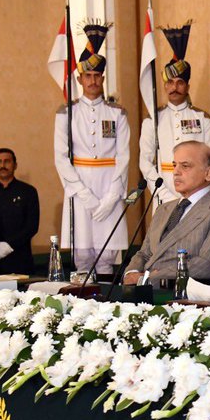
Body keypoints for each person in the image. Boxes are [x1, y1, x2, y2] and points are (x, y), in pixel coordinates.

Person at [53, 21, 131, 276]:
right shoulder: (67, 113)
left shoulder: (117, 113)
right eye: (88, 76)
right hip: (80, 187)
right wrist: (84, 195)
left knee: (107, 254)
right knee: (83, 254)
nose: (93, 80)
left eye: (97, 76)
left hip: (109, 183)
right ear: (79, 78)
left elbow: (124, 156)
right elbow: (61, 158)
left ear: (103, 78)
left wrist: (112, 197)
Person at [122, 141, 210, 284]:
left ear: (208, 173)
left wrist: (146, 278)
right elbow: (145, 253)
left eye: (185, 166)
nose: (176, 172)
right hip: (141, 291)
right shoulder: (163, 209)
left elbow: (206, 266)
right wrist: (131, 272)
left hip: (176, 295)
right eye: (174, 165)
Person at [138, 22, 210, 206]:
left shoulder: (202, 119)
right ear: (165, 85)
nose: (175, 87)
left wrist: (199, 195)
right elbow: (145, 162)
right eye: (171, 82)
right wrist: (164, 195)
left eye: (180, 82)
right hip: (163, 193)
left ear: (187, 86)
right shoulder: (153, 120)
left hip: (196, 196)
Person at [0, 147, 40, 276]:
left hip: (20, 257)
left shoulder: (28, 191)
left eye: (7, 161)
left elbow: (32, 226)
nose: (3, 165)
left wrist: (10, 244)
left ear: (15, 165)